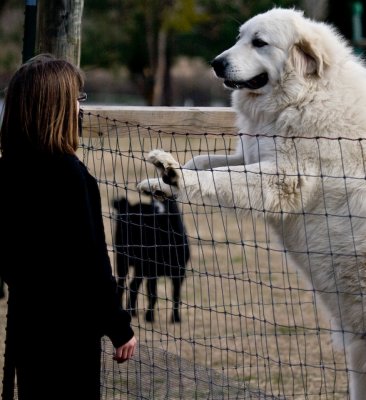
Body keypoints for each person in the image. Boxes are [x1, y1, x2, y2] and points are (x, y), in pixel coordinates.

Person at [0, 53, 137, 400]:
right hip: (70, 333)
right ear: (56, 107)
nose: (80, 107)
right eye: (76, 98)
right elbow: (91, 262)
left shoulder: (8, 171)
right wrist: (119, 327)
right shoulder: (69, 176)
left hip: (27, 323)